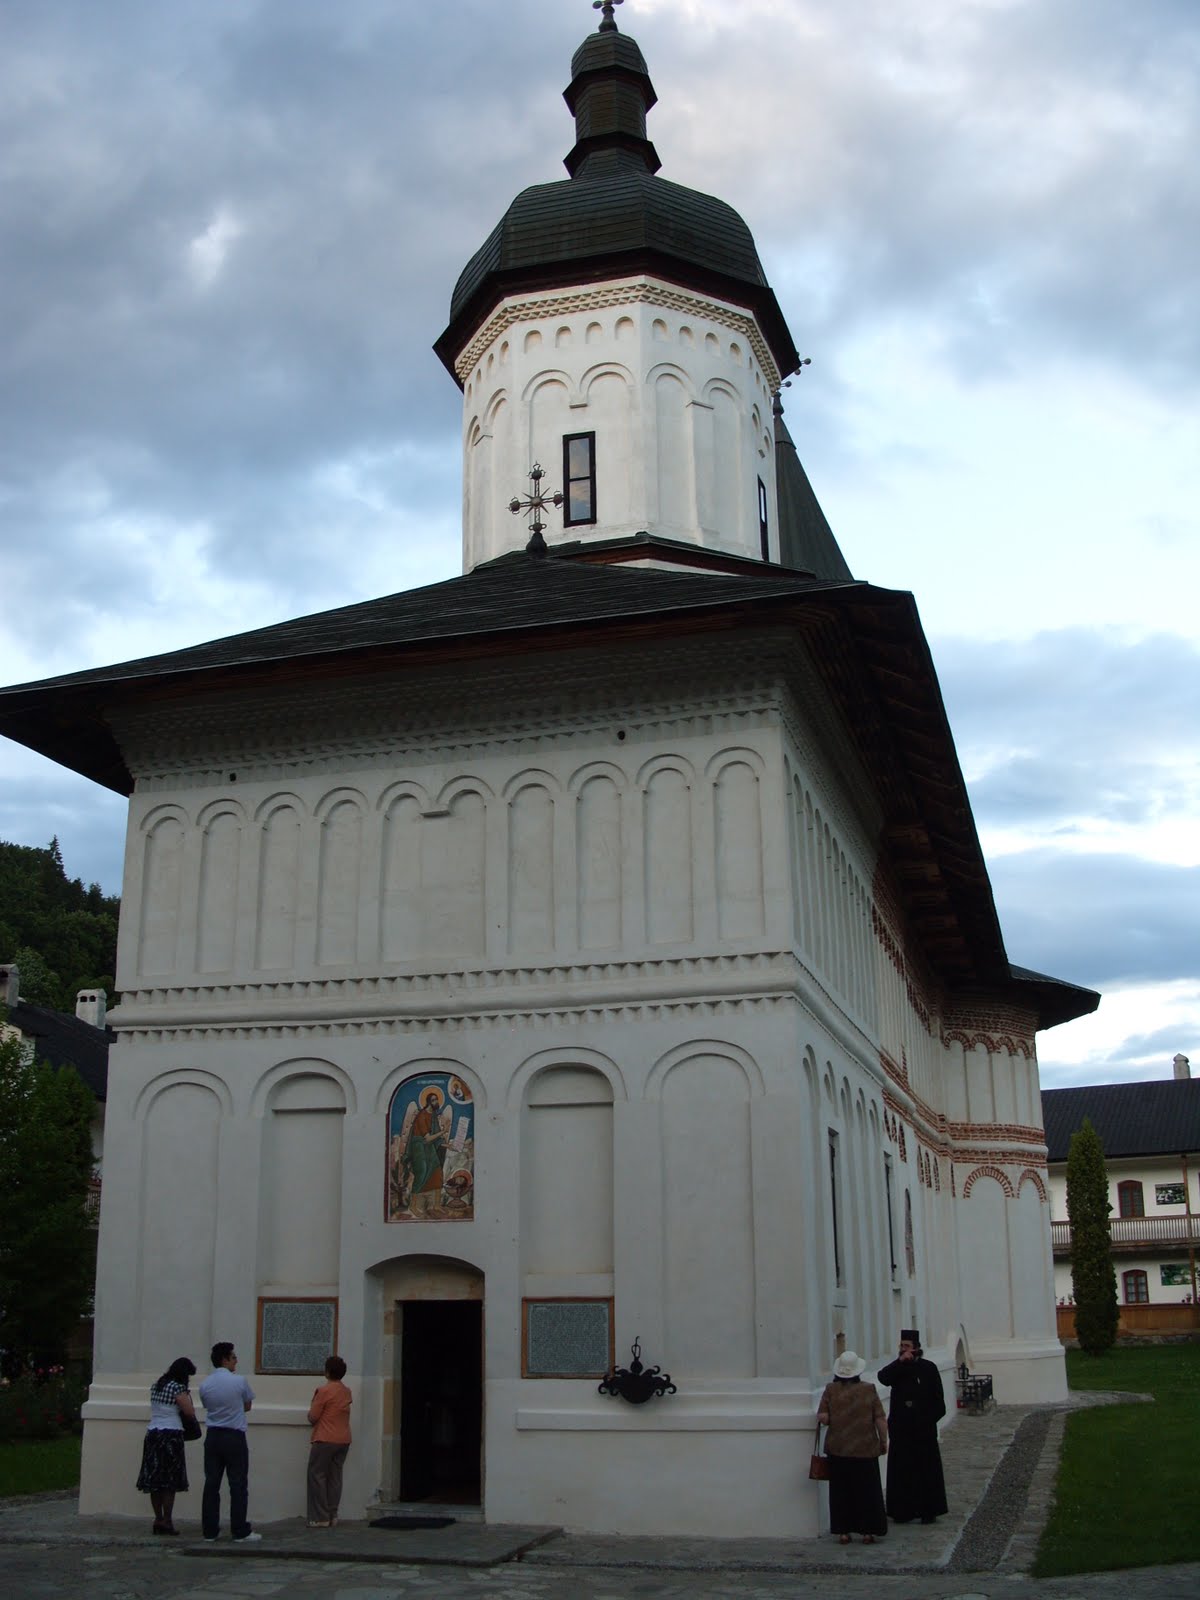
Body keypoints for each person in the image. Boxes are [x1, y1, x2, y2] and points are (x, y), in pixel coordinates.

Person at [816, 1350, 888, 1544]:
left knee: (841, 1492)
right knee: (867, 1491)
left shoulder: (831, 1390)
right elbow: (880, 1418)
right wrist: (884, 1441)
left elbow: (823, 1417)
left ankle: (843, 1531)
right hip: (865, 1448)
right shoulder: (869, 1389)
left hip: (838, 1449)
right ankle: (868, 1531)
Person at [876, 1328, 947, 1524]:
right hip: (901, 1430)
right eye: (901, 1346)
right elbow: (883, 1377)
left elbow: (939, 1403)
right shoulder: (897, 1369)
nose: (903, 1349)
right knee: (902, 1472)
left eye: (907, 1346)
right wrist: (899, 1362)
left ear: (916, 1348)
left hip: (923, 1430)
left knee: (926, 1471)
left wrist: (926, 1420)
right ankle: (902, 1511)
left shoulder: (929, 1368)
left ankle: (928, 1511)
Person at [198, 1341, 261, 1542]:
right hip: (234, 1434)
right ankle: (239, 1529)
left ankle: (210, 1530)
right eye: (233, 1357)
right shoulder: (239, 1381)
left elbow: (208, 1406)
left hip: (213, 1435)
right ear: (225, 1359)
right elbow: (247, 1405)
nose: (236, 1361)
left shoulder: (205, 1384)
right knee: (238, 1484)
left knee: (211, 1483)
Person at [135, 1355, 197, 1535]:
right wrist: (188, 1397)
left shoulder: (157, 1386)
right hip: (171, 1434)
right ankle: (168, 1521)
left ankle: (158, 1518)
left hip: (153, 1433)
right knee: (170, 1480)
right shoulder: (177, 1387)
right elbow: (189, 1412)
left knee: (155, 1480)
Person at [306, 1355, 352, 1527]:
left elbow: (313, 1416)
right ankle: (333, 1514)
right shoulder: (346, 1391)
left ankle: (321, 1516)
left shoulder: (324, 1391)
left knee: (317, 1475)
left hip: (325, 1437)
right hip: (344, 1438)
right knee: (335, 1477)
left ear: (327, 1372)